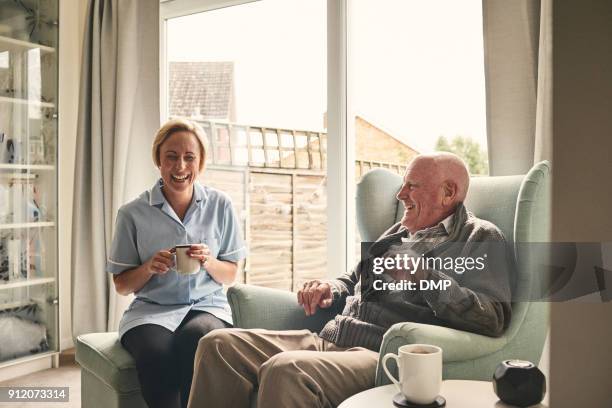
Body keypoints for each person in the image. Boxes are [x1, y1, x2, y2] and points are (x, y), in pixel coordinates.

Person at [187, 152, 513, 408]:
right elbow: (355, 277)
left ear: (448, 192)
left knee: (287, 370)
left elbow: (494, 317)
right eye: (403, 184)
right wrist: (332, 288)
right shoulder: (399, 232)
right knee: (217, 345)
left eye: (412, 185)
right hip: (331, 338)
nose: (401, 194)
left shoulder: (479, 237)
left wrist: (425, 277)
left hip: (380, 353)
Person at [107, 118, 247, 408]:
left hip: (206, 306)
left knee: (197, 341)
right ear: (158, 159)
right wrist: (148, 268)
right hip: (151, 311)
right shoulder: (132, 213)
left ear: (200, 162)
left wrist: (207, 261)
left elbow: (231, 272)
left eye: (189, 157)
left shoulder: (221, 205)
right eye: (171, 156)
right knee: (155, 354)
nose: (180, 167)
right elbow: (121, 285)